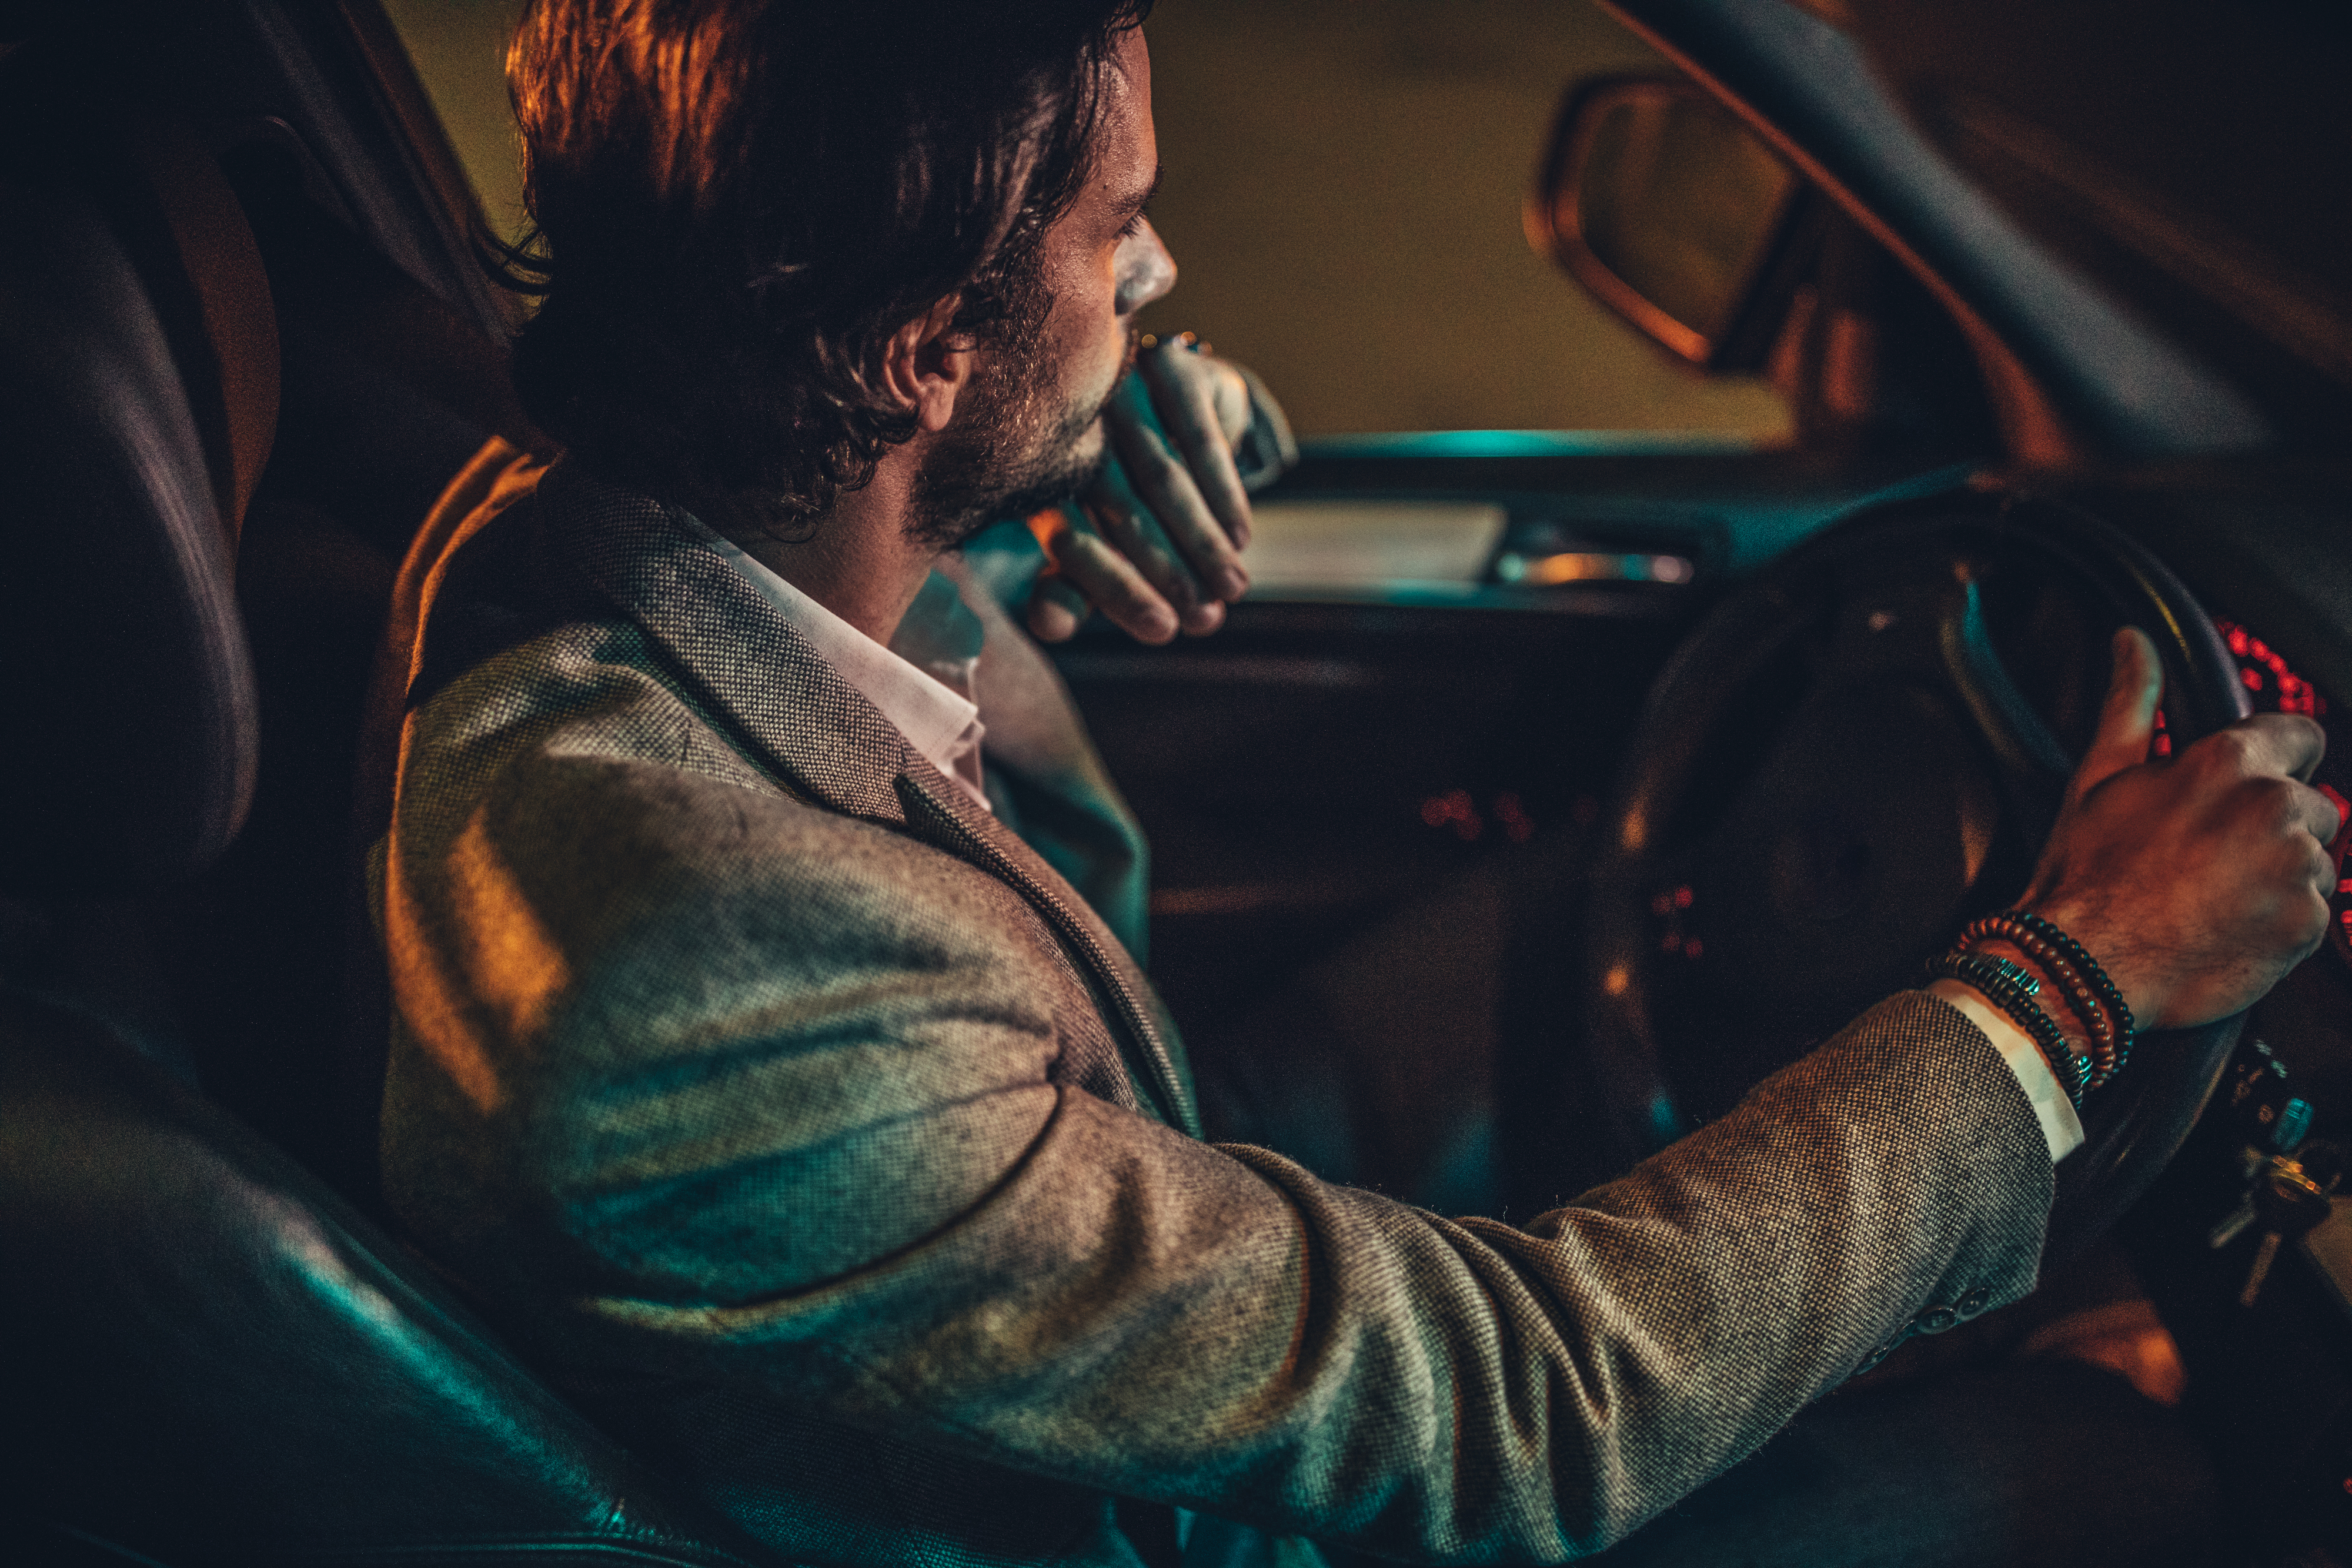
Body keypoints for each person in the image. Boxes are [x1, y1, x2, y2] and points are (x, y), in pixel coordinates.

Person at [368, 3, 2339, 1564]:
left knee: (1588, 904)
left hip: (1119, 1147)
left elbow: (895, 507)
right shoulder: (697, 974)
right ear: (915, 351)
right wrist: (2065, 984)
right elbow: (1513, 1418)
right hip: (1208, 1508)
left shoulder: (593, 515)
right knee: (2119, 1459)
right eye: (1115, 231)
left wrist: (1051, 461)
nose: (1160, 271)